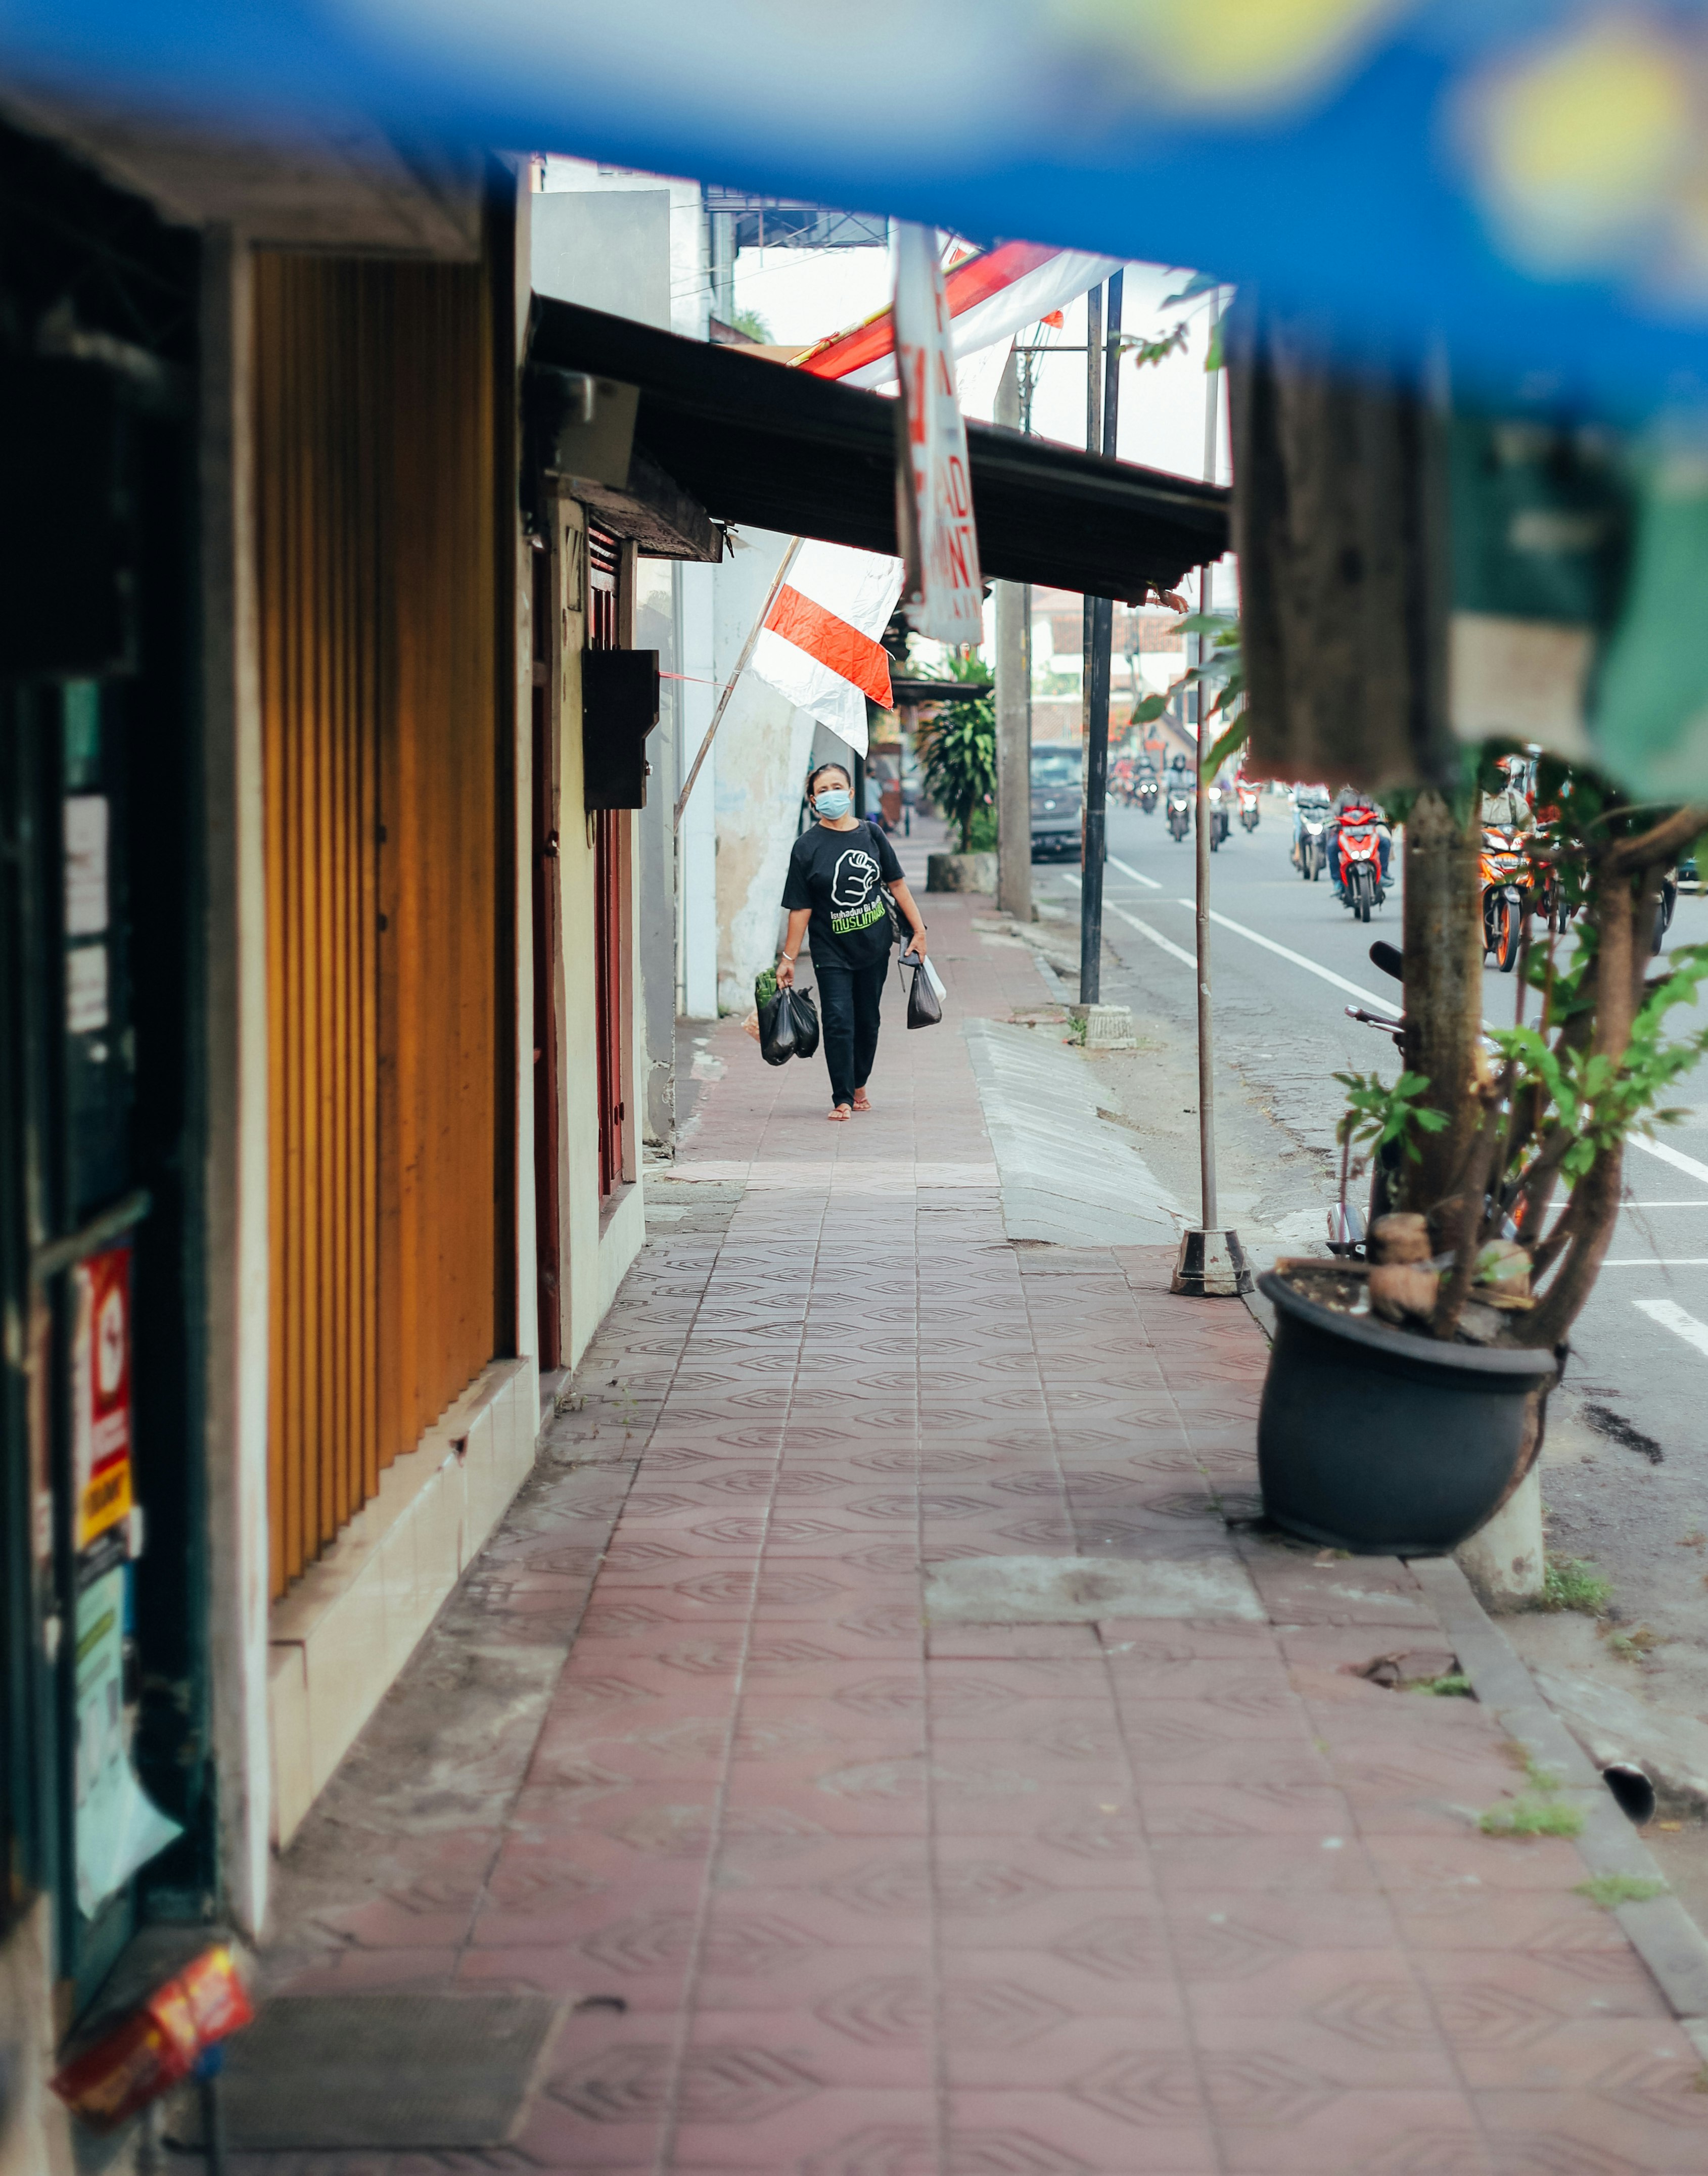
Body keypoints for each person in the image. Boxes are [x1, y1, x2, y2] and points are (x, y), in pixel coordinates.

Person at [777, 761, 929, 1122]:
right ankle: (842, 1097)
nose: (830, 794)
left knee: (868, 1021)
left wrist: (919, 931)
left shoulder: (871, 834)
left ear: (850, 792)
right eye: (822, 790)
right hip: (830, 951)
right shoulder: (806, 847)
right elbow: (800, 908)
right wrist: (788, 957)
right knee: (838, 1020)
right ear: (813, 800)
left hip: (874, 947)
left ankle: (859, 1082)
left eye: (836, 787)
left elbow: (897, 885)